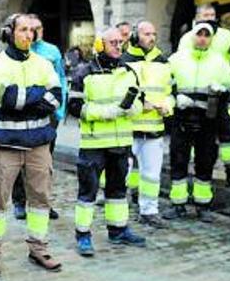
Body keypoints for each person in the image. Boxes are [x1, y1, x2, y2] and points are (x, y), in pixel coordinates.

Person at [0, 13, 62, 276]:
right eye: (23, 30)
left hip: (39, 143)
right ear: (10, 32)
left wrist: (28, 98)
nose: (29, 35)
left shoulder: (42, 62)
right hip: (7, 146)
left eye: (32, 30)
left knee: (41, 198)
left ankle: (39, 248)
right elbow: (9, 98)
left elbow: (57, 96)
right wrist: (39, 96)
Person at [68, 27, 146, 255]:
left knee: (118, 190)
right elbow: (74, 107)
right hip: (94, 144)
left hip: (121, 143)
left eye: (120, 42)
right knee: (88, 191)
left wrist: (134, 109)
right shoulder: (84, 72)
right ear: (100, 45)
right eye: (112, 42)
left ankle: (118, 229)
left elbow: (140, 101)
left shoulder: (129, 71)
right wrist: (107, 112)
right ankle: (83, 234)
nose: (118, 46)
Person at [167, 22, 230, 222]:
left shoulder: (220, 62)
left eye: (207, 35)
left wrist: (222, 89)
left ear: (211, 39)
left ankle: (202, 205)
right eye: (199, 34)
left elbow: (229, 88)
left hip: (208, 119)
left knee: (205, 162)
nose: (203, 38)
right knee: (178, 160)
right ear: (193, 36)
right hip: (181, 116)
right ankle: (178, 205)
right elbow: (164, 86)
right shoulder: (176, 59)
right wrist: (174, 98)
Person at [178, 4, 230, 186]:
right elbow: (183, 60)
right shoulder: (187, 38)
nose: (209, 18)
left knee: (226, 131)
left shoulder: (226, 35)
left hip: (220, 88)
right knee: (198, 134)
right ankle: (195, 164)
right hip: (197, 92)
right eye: (205, 14)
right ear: (197, 17)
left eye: (212, 14)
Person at [11, 15, 64, 221]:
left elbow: (60, 81)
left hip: (48, 115)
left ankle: (42, 201)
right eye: (28, 29)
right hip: (22, 115)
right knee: (19, 160)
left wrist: (59, 110)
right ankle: (19, 202)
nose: (32, 33)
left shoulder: (52, 52)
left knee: (44, 163)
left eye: (37, 28)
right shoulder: (18, 52)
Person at [122, 21, 174, 228]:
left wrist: (167, 107)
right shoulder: (124, 61)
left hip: (154, 129)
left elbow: (172, 93)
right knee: (122, 173)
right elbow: (119, 93)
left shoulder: (164, 62)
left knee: (151, 175)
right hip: (129, 127)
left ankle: (149, 211)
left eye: (154, 34)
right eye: (146, 34)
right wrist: (140, 105)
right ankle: (118, 210)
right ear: (136, 36)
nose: (151, 38)